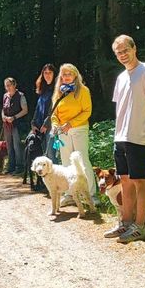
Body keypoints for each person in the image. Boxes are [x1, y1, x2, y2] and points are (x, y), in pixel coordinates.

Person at [104, 35, 145, 243]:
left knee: (140, 180)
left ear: (134, 48)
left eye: (125, 50)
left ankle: (140, 227)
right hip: (121, 136)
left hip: (140, 136)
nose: (122, 55)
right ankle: (125, 223)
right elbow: (121, 107)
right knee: (125, 181)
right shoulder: (121, 77)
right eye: (118, 52)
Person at [50, 63, 98, 204]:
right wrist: (55, 124)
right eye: (63, 74)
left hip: (79, 129)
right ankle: (70, 194)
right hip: (62, 132)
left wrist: (70, 124)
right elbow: (54, 113)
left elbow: (87, 111)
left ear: (75, 75)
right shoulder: (59, 91)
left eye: (69, 74)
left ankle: (91, 195)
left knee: (82, 161)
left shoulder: (83, 90)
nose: (66, 77)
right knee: (66, 162)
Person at [1, 77, 28, 174]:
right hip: (7, 125)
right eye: (6, 86)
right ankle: (10, 166)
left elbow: (25, 110)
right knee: (9, 145)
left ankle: (19, 166)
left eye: (9, 85)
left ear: (14, 85)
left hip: (17, 124)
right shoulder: (5, 96)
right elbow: (3, 109)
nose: (7, 87)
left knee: (17, 145)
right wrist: (3, 117)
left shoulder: (21, 96)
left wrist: (14, 117)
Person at [31, 64, 56, 159]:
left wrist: (46, 124)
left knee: (51, 154)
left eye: (50, 73)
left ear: (54, 74)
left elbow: (55, 109)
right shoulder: (43, 89)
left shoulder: (57, 89)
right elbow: (38, 107)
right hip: (40, 127)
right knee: (44, 156)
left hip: (52, 126)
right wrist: (33, 123)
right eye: (45, 73)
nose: (47, 75)